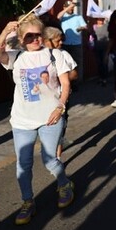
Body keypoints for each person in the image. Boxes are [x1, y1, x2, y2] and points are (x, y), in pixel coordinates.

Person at [0, 14, 75, 225]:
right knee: (23, 164)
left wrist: (61, 107)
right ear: (20, 38)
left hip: (50, 117)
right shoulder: (16, 57)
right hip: (22, 120)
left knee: (49, 160)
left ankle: (64, 184)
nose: (35, 39)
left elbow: (66, 84)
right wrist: (5, 30)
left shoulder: (56, 55)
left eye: (38, 35)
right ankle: (27, 202)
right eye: (29, 36)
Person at [43, 27, 78, 160]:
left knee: (59, 125)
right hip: (42, 97)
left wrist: (60, 78)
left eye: (61, 40)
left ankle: (57, 158)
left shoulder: (63, 54)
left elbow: (74, 74)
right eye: (58, 41)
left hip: (60, 96)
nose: (61, 43)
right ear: (47, 41)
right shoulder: (38, 54)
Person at [57, 0, 87, 86]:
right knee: (65, 63)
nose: (71, 9)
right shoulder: (63, 17)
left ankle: (77, 82)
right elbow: (58, 16)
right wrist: (67, 9)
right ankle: (67, 82)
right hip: (65, 43)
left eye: (72, 8)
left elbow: (84, 26)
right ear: (64, 7)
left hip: (76, 43)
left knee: (77, 63)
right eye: (70, 8)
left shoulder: (78, 17)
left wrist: (80, 28)